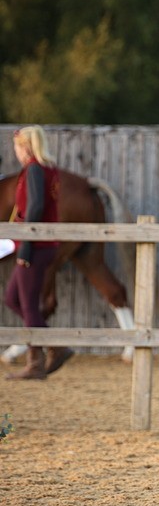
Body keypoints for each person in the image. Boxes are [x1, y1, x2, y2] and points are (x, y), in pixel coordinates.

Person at [5, 126, 73, 380]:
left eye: (17, 147)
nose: (16, 152)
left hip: (36, 245)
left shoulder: (33, 169)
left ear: (25, 147)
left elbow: (35, 207)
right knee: (14, 298)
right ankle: (54, 346)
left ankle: (37, 361)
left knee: (28, 304)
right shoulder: (48, 169)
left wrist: (26, 245)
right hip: (44, 244)